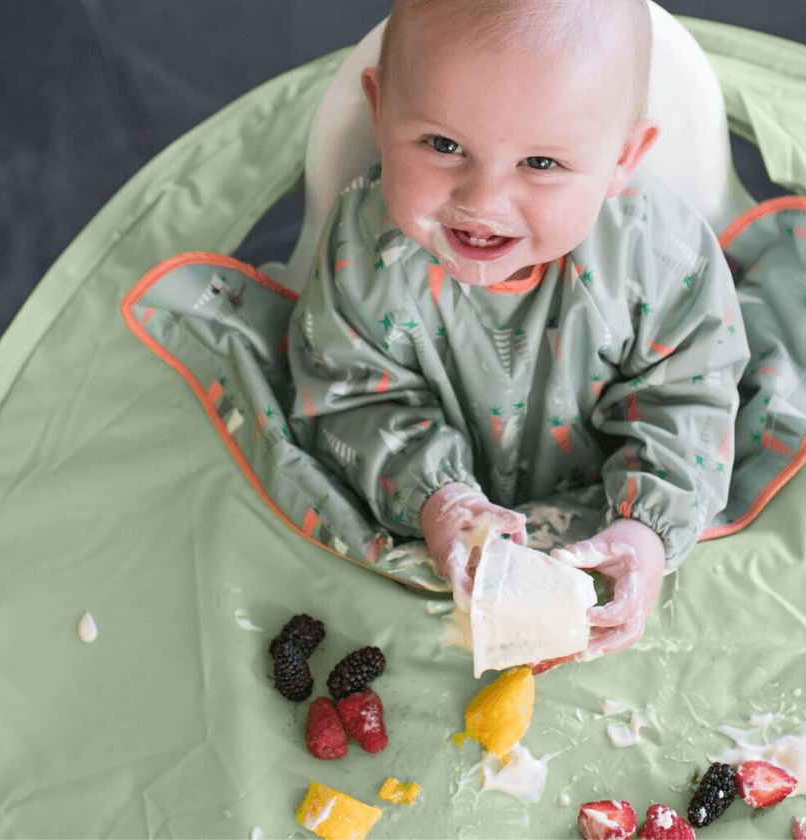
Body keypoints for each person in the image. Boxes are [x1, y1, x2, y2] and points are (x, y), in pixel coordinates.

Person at [288, 0, 749, 662]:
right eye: (444, 145)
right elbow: (349, 395)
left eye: (540, 163)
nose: (482, 201)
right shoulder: (364, 255)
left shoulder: (659, 259)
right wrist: (434, 497)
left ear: (624, 157)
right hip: (418, 516)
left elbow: (689, 396)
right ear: (380, 110)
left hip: (609, 507)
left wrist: (648, 527)